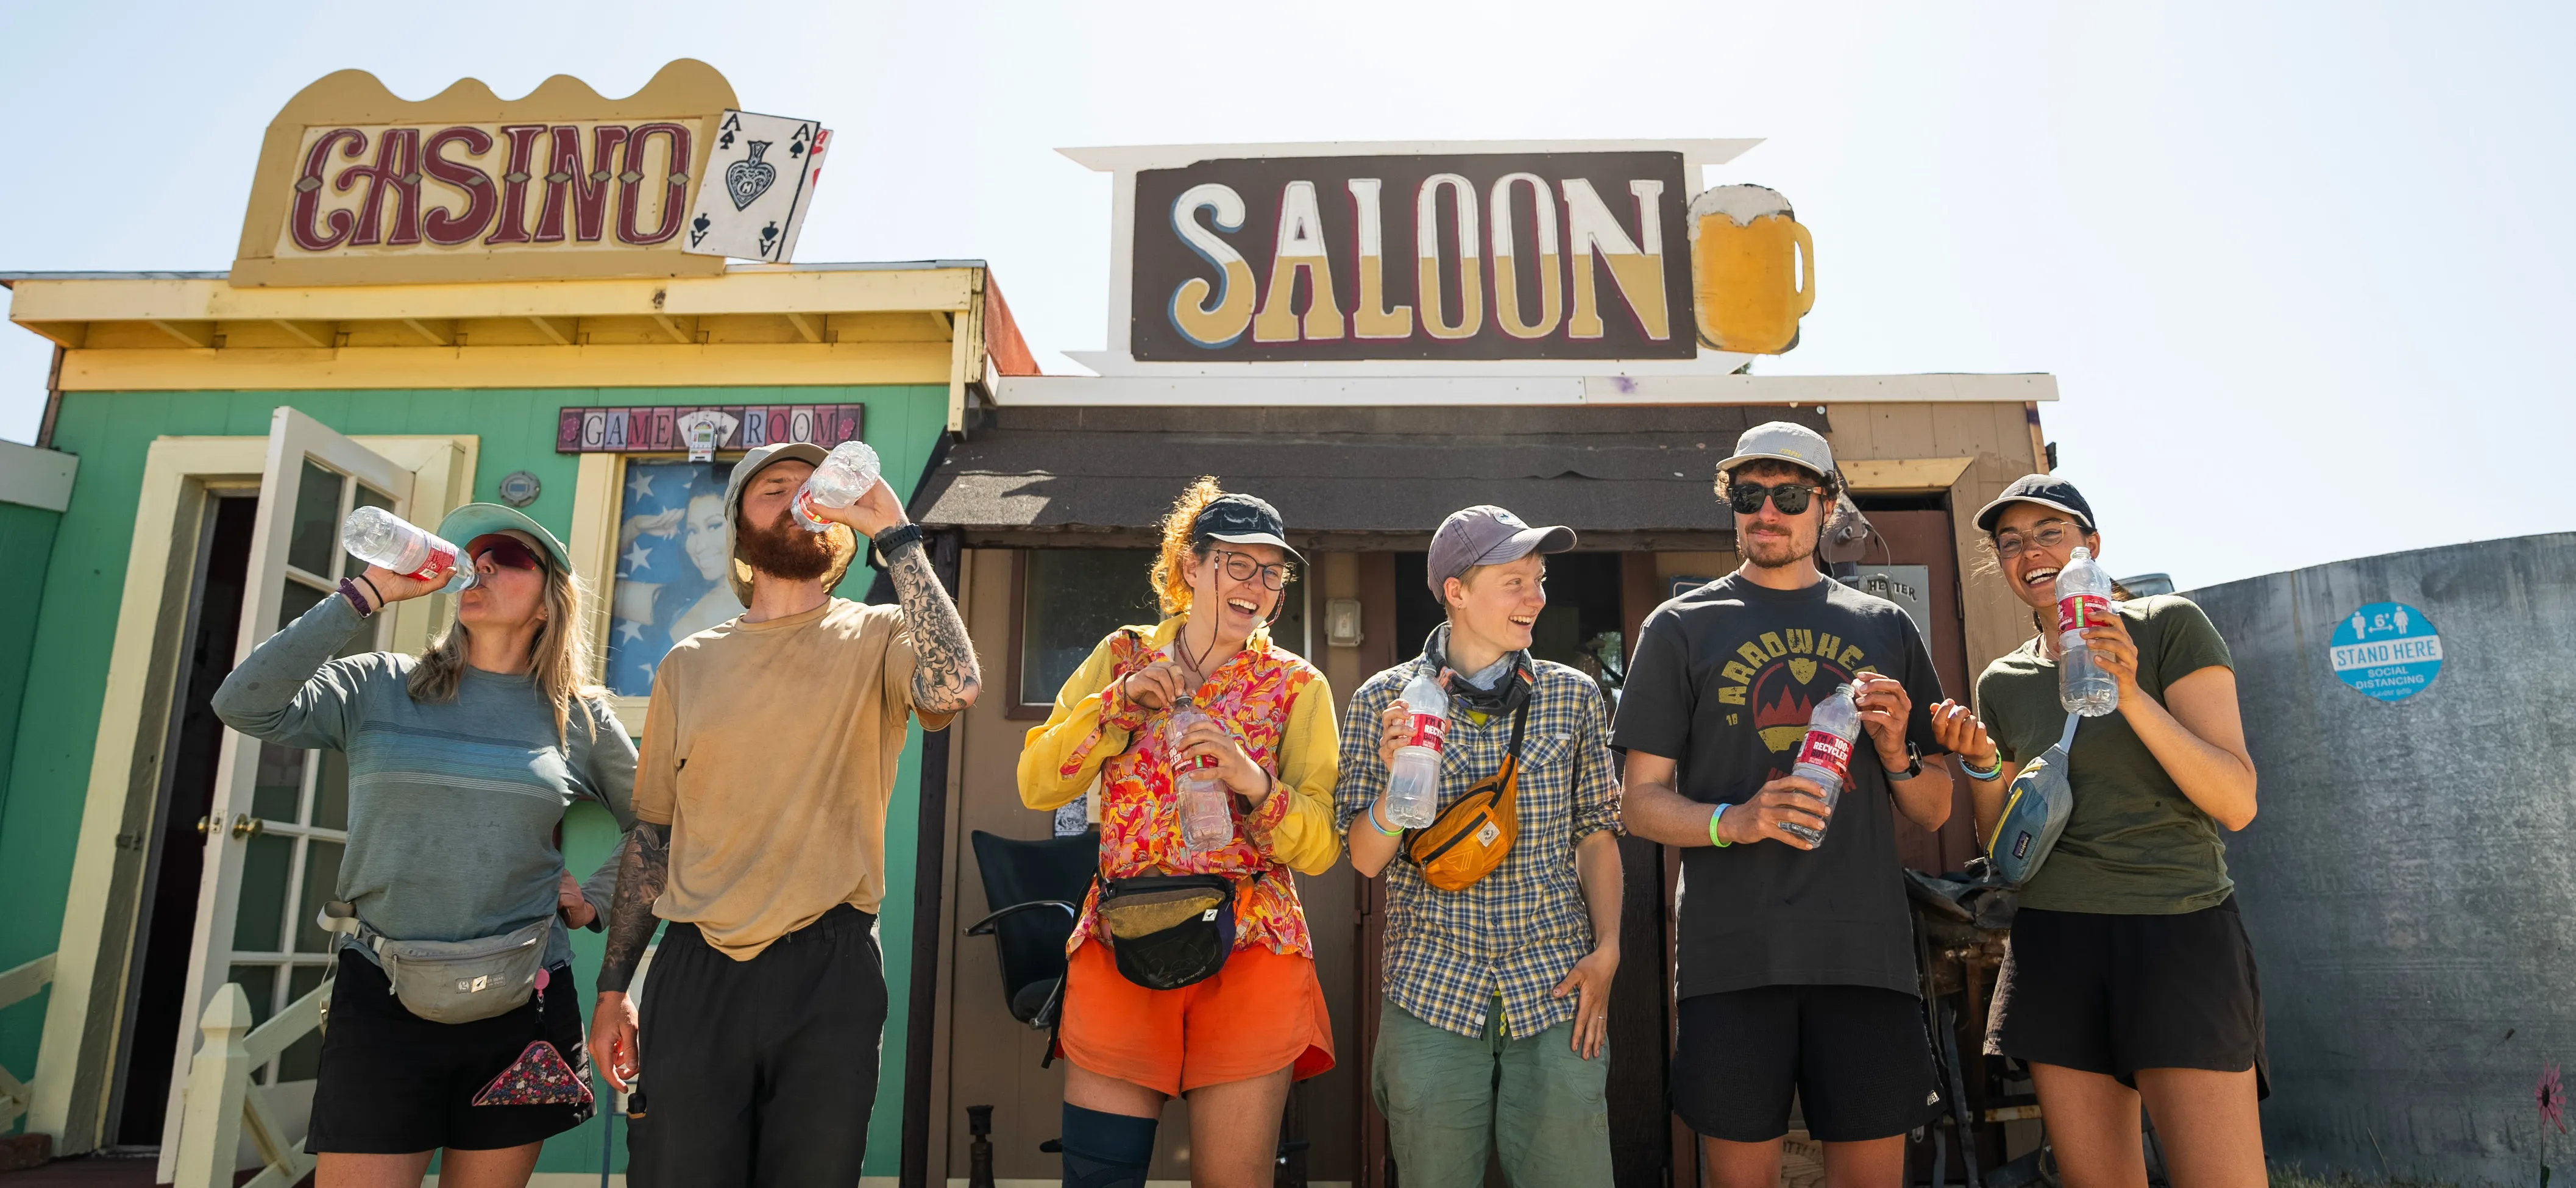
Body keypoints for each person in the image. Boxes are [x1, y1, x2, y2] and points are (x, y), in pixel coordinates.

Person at [587, 441, 980, 1187]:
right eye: (775, 488)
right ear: (739, 528)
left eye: (815, 487)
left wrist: (893, 530)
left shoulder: (880, 634)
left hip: (829, 967)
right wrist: (614, 991)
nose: (803, 497)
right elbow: (654, 838)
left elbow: (956, 684)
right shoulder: (688, 664)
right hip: (697, 968)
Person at [212, 504, 633, 1188]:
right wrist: (365, 594)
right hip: (382, 994)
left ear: (549, 600)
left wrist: (593, 900)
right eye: (475, 551)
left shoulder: (578, 716)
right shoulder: (379, 684)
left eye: (508, 554)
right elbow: (244, 703)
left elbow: (659, 826)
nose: (483, 561)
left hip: (525, 1001)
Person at [1613, 422, 1957, 1186]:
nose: (1766, 511)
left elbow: (1933, 808)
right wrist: (1734, 820)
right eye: (1749, 494)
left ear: (1826, 505)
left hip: (1864, 957)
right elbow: (1639, 804)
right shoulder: (1679, 626)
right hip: (1731, 957)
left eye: (1790, 494)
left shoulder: (1884, 626)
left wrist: (1898, 748)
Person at [1929, 475, 2265, 1188]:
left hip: (2177, 930)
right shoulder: (2003, 681)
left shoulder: (2170, 624)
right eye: (2010, 542)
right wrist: (1985, 767)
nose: (2030, 552)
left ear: (2093, 547)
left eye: (2049, 532)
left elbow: (2236, 800)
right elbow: (2006, 852)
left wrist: (2130, 690)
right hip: (2056, 940)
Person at [1017, 480, 1341, 1188]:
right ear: (1190, 567)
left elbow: (1321, 844)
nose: (1258, 583)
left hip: (1252, 946)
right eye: (1237, 563)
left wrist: (1254, 781)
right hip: (1121, 938)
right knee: (1099, 1175)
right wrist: (1116, 706)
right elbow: (1038, 780)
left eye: (1272, 570)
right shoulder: (1123, 655)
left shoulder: (1298, 685)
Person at [1336, 505, 1622, 1188]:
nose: (1537, 598)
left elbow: (1596, 833)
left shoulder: (1572, 695)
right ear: (1456, 591)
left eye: (1541, 579)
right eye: (1515, 581)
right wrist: (1397, 779)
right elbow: (1366, 858)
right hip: (1431, 987)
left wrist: (1608, 949)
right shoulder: (1384, 698)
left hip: (1556, 986)